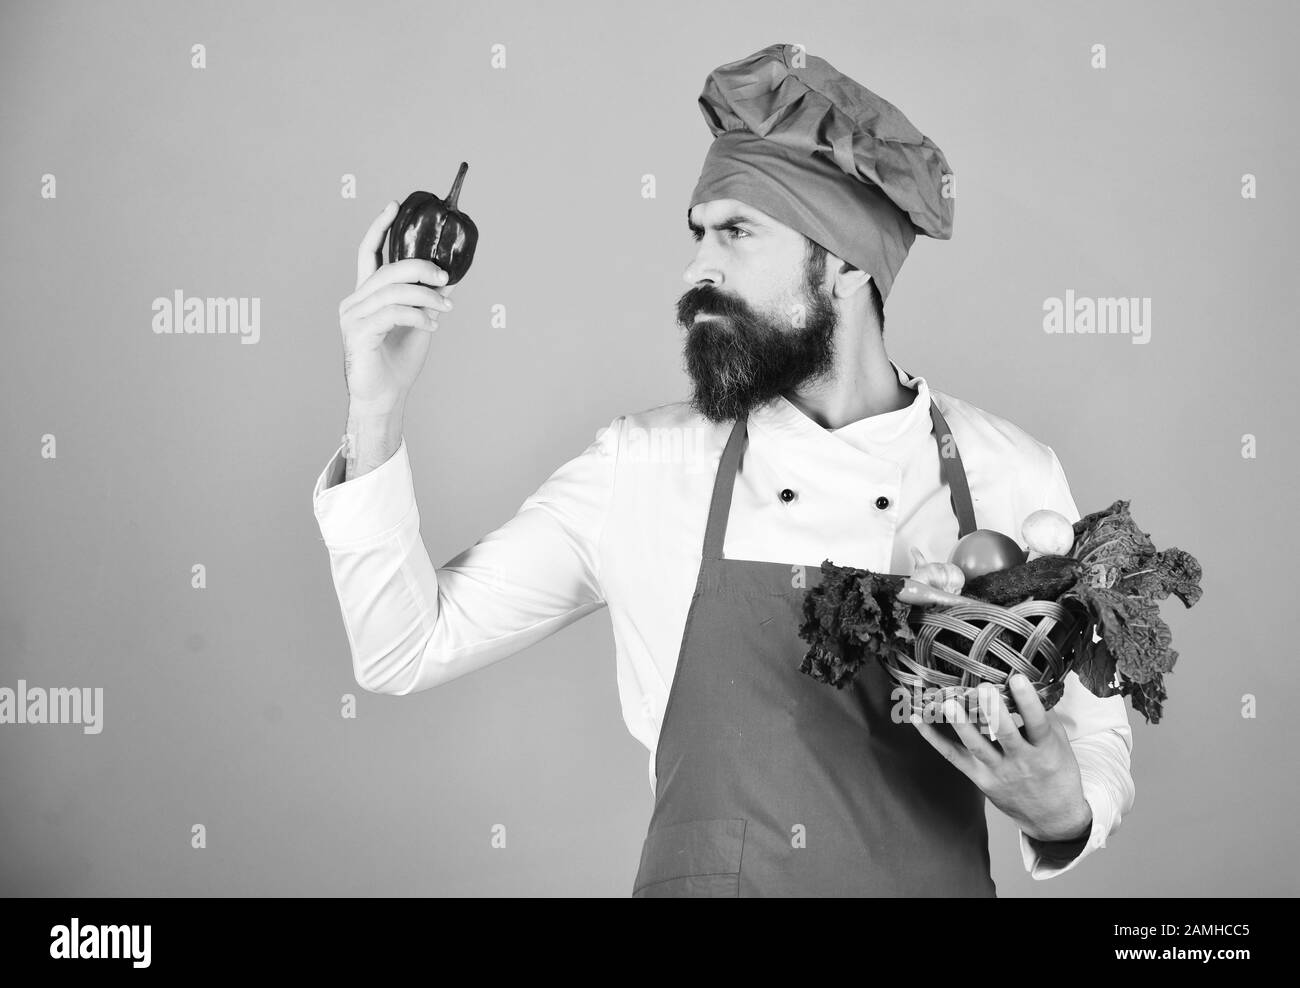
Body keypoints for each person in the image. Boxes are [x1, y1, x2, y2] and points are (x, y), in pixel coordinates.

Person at [314, 43, 1134, 896]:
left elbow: (1095, 740)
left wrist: (1061, 807)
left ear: (847, 263)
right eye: (698, 233)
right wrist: (375, 407)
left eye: (737, 233)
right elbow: (402, 648)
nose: (696, 268)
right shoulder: (647, 464)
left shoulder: (1011, 474)